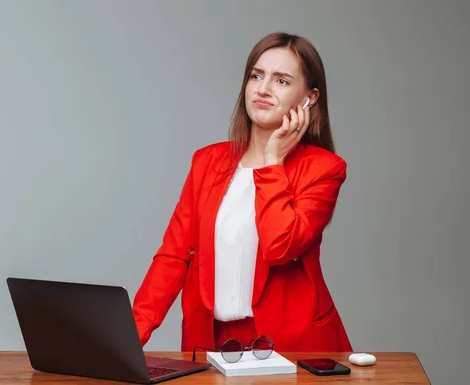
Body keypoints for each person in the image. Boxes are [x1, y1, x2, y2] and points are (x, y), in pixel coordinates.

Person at [132, 32, 353, 353]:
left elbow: (280, 247)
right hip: (211, 342)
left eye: (281, 81)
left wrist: (272, 161)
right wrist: (128, 338)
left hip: (292, 347)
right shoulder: (206, 161)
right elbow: (174, 257)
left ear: (309, 98)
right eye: (256, 76)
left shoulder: (324, 169)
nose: (263, 89)